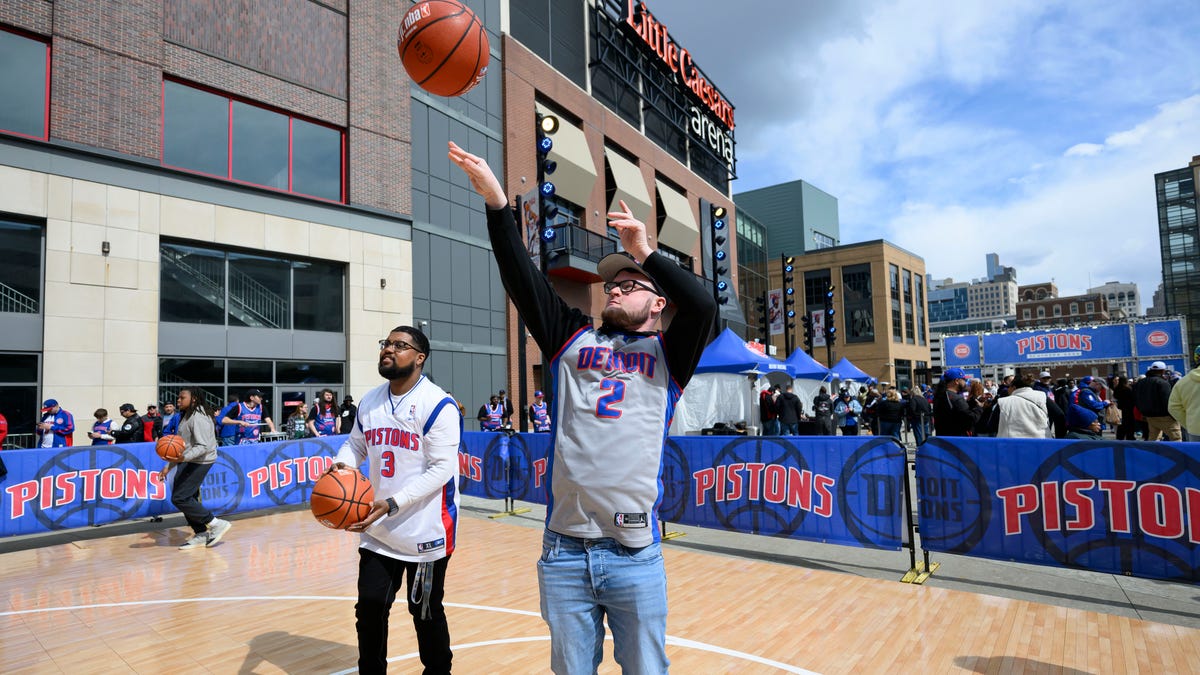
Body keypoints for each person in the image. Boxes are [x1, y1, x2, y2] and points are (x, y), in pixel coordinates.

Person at [450, 140, 718, 674]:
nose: (614, 290)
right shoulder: (569, 338)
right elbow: (521, 280)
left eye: (630, 284)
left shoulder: (671, 353)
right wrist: (499, 206)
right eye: (610, 285)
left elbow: (706, 303)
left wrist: (646, 252)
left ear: (660, 301)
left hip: (634, 552)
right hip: (565, 551)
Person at [328, 325, 461, 674]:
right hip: (377, 530)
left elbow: (442, 469)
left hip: (425, 531)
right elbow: (355, 445)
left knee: (425, 614)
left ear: (420, 358)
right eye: (385, 343)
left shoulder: (438, 404)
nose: (388, 349)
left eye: (399, 345)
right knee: (369, 612)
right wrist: (340, 468)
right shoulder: (371, 400)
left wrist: (392, 502)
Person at [157, 386, 232, 551]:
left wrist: (182, 459)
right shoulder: (185, 415)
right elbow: (181, 445)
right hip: (188, 460)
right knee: (186, 498)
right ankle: (200, 533)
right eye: (178, 397)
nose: (178, 400)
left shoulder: (199, 417)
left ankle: (216, 523)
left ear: (194, 399)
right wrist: (168, 466)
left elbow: (202, 446)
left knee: (180, 498)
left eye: (182, 397)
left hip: (200, 461)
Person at [993, 373, 1050, 438]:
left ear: (1014, 387)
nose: (1007, 389)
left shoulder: (1003, 402)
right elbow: (1059, 415)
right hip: (1041, 441)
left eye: (1009, 387)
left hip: (1013, 443)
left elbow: (992, 425)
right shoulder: (1042, 396)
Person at [1133, 362, 1180, 441]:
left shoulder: (1140, 383)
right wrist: (1174, 415)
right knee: (1176, 439)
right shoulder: (1163, 383)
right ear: (1163, 371)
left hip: (1149, 417)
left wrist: (1143, 412)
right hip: (1166, 416)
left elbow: (1135, 399)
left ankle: (1152, 453)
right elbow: (1167, 401)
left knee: (1153, 440)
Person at [933, 368, 981, 437]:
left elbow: (955, 413)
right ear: (956, 381)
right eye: (964, 380)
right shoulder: (956, 398)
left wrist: (971, 403)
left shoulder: (939, 396)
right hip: (957, 440)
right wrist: (979, 407)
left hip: (943, 438)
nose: (965, 382)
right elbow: (971, 419)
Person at [1168, 363, 1200, 441]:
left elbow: (1173, 407)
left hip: (1195, 429)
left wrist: (1189, 423)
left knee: (1196, 453)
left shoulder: (1183, 382)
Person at [1112, 376, 1137, 440]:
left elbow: (1115, 397)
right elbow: (1133, 398)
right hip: (1129, 409)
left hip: (1120, 408)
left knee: (1121, 425)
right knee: (1130, 425)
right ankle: (1130, 437)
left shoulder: (1117, 389)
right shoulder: (1128, 389)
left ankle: (1120, 438)